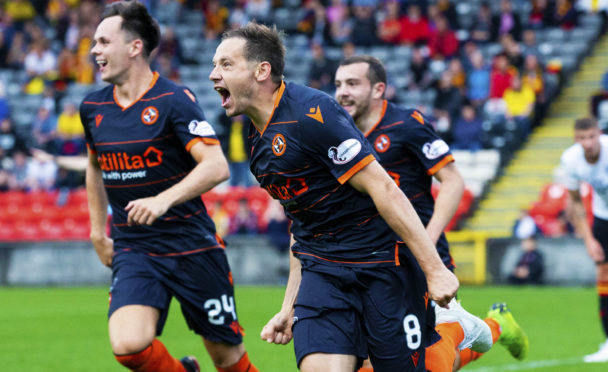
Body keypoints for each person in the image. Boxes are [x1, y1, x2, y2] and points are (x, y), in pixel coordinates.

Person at [209, 21, 462, 372]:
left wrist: (434, 269)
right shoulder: (256, 143)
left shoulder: (312, 114)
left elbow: (384, 187)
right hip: (323, 272)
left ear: (261, 70)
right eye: (214, 65)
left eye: (225, 64)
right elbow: (303, 222)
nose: (213, 75)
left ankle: (458, 331)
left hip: (381, 266)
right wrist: (289, 306)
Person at [80, 3, 259, 372]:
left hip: (192, 246)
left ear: (134, 47)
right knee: (129, 347)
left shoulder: (174, 100)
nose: (94, 50)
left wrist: (163, 200)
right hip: (136, 248)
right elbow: (94, 168)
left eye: (102, 41)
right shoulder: (92, 107)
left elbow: (216, 166)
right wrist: (98, 232)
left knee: (227, 358)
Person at [334, 55, 528, 372]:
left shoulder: (407, 124)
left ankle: (494, 327)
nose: (343, 92)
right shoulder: (338, 133)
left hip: (420, 255)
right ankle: (495, 326)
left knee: (434, 357)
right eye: (339, 84)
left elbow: (453, 181)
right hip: (367, 258)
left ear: (379, 88)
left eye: (353, 83)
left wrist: (427, 236)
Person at [561, 117, 608, 363]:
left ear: (599, 134)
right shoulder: (570, 160)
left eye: (591, 137)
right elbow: (576, 202)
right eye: (582, 138)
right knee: (604, 277)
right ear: (575, 139)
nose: (587, 143)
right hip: (603, 217)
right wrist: (589, 240)